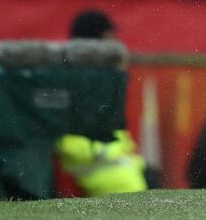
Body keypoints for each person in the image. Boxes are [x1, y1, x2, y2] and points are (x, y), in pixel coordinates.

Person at [55, 10, 148, 196]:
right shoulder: (80, 77)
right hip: (103, 170)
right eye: (109, 37)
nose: (115, 44)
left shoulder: (92, 76)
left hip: (114, 167)